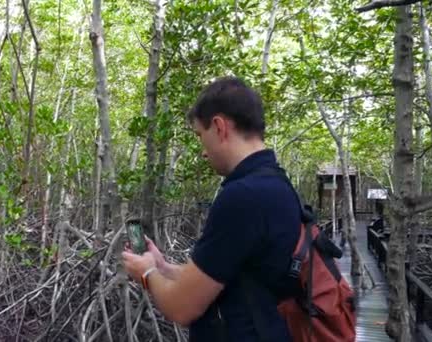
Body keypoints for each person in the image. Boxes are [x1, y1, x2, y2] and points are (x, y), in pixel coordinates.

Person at [122, 76, 301, 341]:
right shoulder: (276, 183)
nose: (203, 152)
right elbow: (231, 278)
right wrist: (162, 266)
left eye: (200, 135)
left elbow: (182, 308)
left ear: (219, 127)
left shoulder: (243, 197)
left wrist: (146, 274)